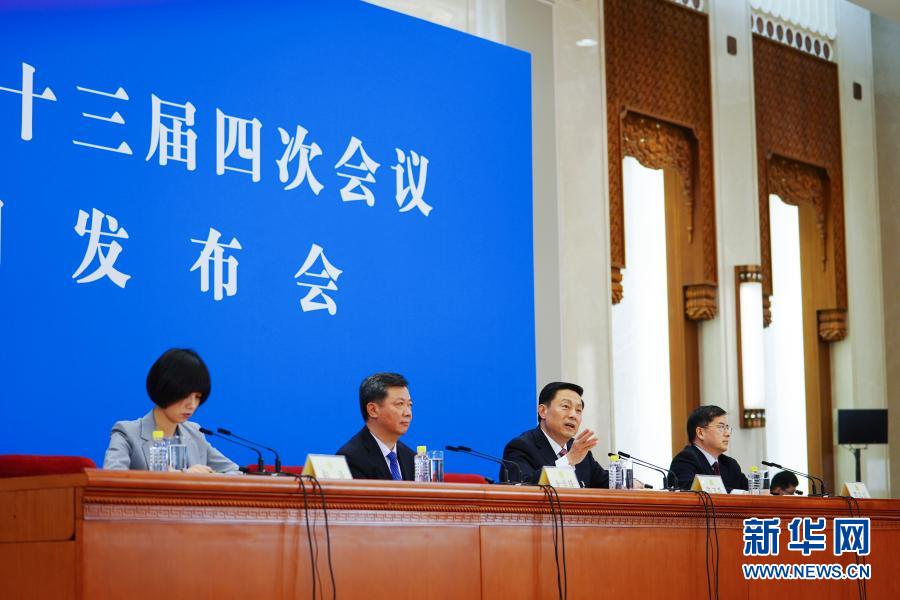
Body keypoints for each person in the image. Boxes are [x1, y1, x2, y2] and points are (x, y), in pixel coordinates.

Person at [103, 348, 240, 474]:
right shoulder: (127, 433)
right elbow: (112, 479)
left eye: (197, 397)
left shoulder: (195, 433)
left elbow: (236, 473)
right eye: (185, 395)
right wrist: (184, 476)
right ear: (164, 388)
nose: (192, 405)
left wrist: (207, 477)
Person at [502, 382, 609, 487]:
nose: (573, 415)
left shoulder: (579, 451)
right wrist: (568, 460)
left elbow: (607, 483)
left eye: (578, 410)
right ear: (543, 411)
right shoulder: (520, 447)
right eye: (566, 406)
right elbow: (520, 487)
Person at [336, 372, 415, 480]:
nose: (408, 413)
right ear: (373, 410)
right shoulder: (351, 459)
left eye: (409, 405)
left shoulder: (411, 458)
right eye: (399, 404)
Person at [670, 405, 748, 492]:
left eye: (727, 428)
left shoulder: (730, 464)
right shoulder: (685, 460)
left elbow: (752, 490)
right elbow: (692, 491)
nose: (727, 434)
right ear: (700, 433)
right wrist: (737, 493)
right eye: (721, 427)